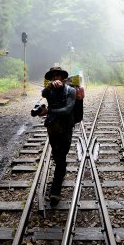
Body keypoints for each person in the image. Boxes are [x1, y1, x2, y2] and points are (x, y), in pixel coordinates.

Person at [38, 66, 76, 206]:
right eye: (53, 76)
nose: (56, 78)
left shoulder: (71, 91)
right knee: (56, 154)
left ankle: (55, 191)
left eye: (58, 76)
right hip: (53, 128)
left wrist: (49, 110)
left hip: (66, 128)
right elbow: (43, 93)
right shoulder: (50, 91)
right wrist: (49, 87)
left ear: (63, 78)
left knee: (61, 157)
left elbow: (67, 110)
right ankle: (60, 174)